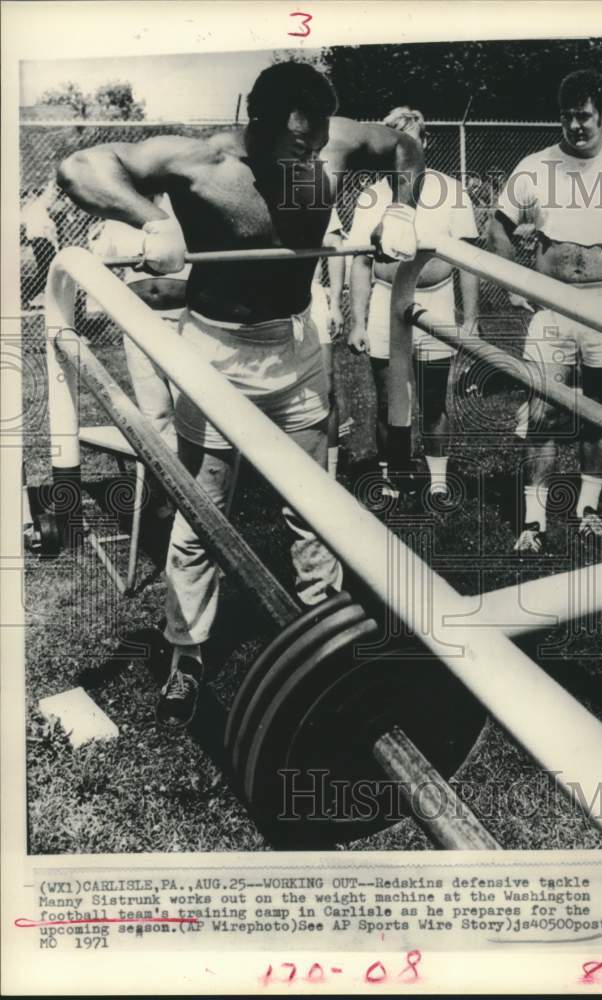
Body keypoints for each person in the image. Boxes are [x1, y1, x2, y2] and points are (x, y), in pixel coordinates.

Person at [57, 61, 424, 729]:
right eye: (290, 147)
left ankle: (325, 640)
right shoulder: (203, 162)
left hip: (296, 346)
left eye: (311, 146)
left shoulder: (333, 141)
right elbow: (78, 167)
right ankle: (188, 653)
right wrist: (150, 221)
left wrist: (402, 204)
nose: (304, 158)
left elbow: (405, 143)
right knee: (203, 516)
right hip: (215, 354)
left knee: (314, 506)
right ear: (252, 131)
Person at [487, 69, 602, 551]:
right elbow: (497, 226)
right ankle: (533, 522)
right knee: (542, 409)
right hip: (552, 303)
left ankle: (589, 510)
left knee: (600, 411)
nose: (575, 126)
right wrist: (512, 281)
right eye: (566, 117)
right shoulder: (535, 165)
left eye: (584, 116)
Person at [347, 107, 479, 497]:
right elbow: (361, 261)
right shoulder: (373, 195)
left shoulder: (452, 190)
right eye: (394, 143)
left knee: (433, 399)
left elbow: (467, 258)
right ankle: (393, 478)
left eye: (411, 140)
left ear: (427, 142)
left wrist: (470, 317)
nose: (403, 151)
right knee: (391, 399)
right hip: (386, 303)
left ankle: (437, 482)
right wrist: (357, 320)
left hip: (433, 303)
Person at [89, 194, 191, 518]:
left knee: (191, 411)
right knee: (156, 414)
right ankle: (171, 495)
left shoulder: (186, 207)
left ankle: (201, 498)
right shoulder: (118, 215)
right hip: (138, 321)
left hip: (187, 320)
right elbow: (98, 262)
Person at [309, 208, 346, 478]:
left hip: (311, 298)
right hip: (269, 302)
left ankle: (330, 475)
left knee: (327, 385)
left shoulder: (314, 195)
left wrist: (335, 305)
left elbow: (334, 246)